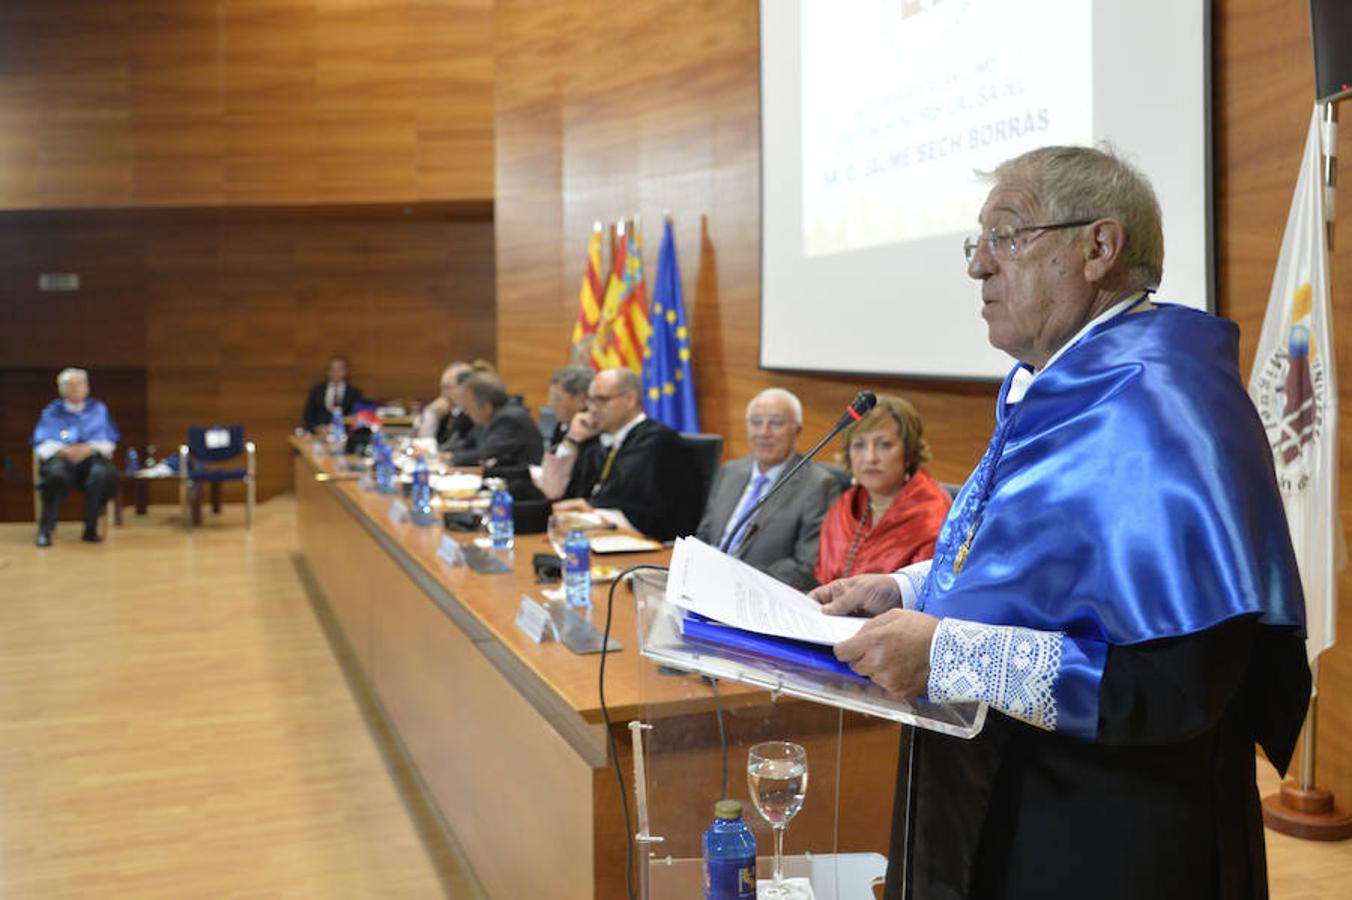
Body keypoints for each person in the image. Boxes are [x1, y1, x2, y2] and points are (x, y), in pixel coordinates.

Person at [810, 146, 1310, 899]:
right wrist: (910, 591)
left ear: (1099, 249)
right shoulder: (1068, 387)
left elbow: (1176, 680)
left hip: (1106, 830)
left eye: (1005, 237)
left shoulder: (1161, 405)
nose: (979, 267)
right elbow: (1050, 573)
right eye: (975, 244)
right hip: (1023, 793)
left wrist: (951, 655)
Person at [695, 388, 841, 590]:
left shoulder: (819, 485)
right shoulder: (730, 471)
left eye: (776, 423)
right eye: (756, 422)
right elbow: (705, 534)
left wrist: (735, 577)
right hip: (704, 584)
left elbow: (807, 567)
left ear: (796, 430)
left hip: (759, 594)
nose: (764, 432)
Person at [547, 367, 702, 541]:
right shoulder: (597, 441)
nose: (592, 409)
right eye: (590, 400)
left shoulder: (656, 442)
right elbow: (552, 490)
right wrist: (572, 440)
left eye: (601, 400)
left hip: (652, 548)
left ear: (630, 399)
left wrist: (593, 514)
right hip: (598, 539)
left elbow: (645, 514)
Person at [813, 394, 950, 585]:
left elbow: (925, 595)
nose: (870, 457)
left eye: (884, 445)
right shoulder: (843, 507)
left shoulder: (932, 515)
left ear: (908, 453)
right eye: (859, 445)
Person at [30, 368, 121, 547]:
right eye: (69, 385)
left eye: (79, 384)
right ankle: (45, 531)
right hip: (61, 460)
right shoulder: (51, 412)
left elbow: (109, 441)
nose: (74, 389)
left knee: (103, 474)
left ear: (87, 387)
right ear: (61, 389)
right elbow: (41, 444)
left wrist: (89, 448)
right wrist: (63, 450)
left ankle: (91, 528)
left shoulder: (99, 410)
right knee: (55, 475)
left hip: (91, 460)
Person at [448, 372, 544, 468]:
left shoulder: (510, 419)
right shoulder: (490, 419)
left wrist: (452, 458)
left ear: (486, 407)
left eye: (469, 407)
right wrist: (448, 454)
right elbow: (466, 444)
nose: (466, 413)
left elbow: (484, 453)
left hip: (519, 480)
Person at [302, 355, 366, 433]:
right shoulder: (317, 390)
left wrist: (340, 429)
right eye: (332, 369)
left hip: (344, 434)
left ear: (346, 371)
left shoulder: (354, 393)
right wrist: (316, 428)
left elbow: (356, 417)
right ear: (328, 371)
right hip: (319, 432)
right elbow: (308, 414)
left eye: (339, 369)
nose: (335, 372)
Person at [545, 365, 594, 449]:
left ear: (581, 400)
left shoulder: (592, 436)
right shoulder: (561, 425)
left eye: (557, 398)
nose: (550, 404)